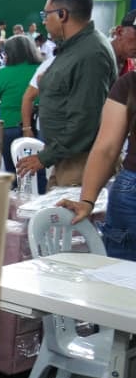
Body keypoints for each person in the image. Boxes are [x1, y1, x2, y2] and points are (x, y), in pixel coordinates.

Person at [15, 0, 117, 189]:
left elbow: (84, 119)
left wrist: (44, 157)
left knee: (71, 220)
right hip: (66, 158)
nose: (43, 21)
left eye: (46, 14)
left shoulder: (90, 54)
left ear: (62, 14)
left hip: (81, 163)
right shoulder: (74, 47)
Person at [59, 66, 136, 261]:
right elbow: (106, 148)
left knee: (122, 281)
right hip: (130, 193)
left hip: (130, 190)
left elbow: (107, 148)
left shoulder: (130, 83)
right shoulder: (129, 84)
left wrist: (87, 200)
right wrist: (86, 201)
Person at [0, 35, 41, 173]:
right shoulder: (41, 69)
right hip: (39, 126)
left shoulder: (3, 73)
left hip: (10, 127)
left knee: (14, 171)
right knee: (37, 171)